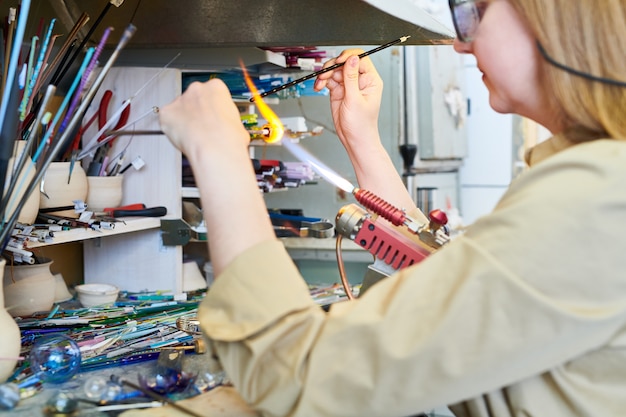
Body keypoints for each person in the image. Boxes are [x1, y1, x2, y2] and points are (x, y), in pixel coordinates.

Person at [158, 0, 626, 415]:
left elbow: (303, 377)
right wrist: (361, 139)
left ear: (558, 17)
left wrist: (218, 156)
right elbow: (451, 293)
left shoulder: (598, 195)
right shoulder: (599, 177)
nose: (461, 45)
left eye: (474, 10)